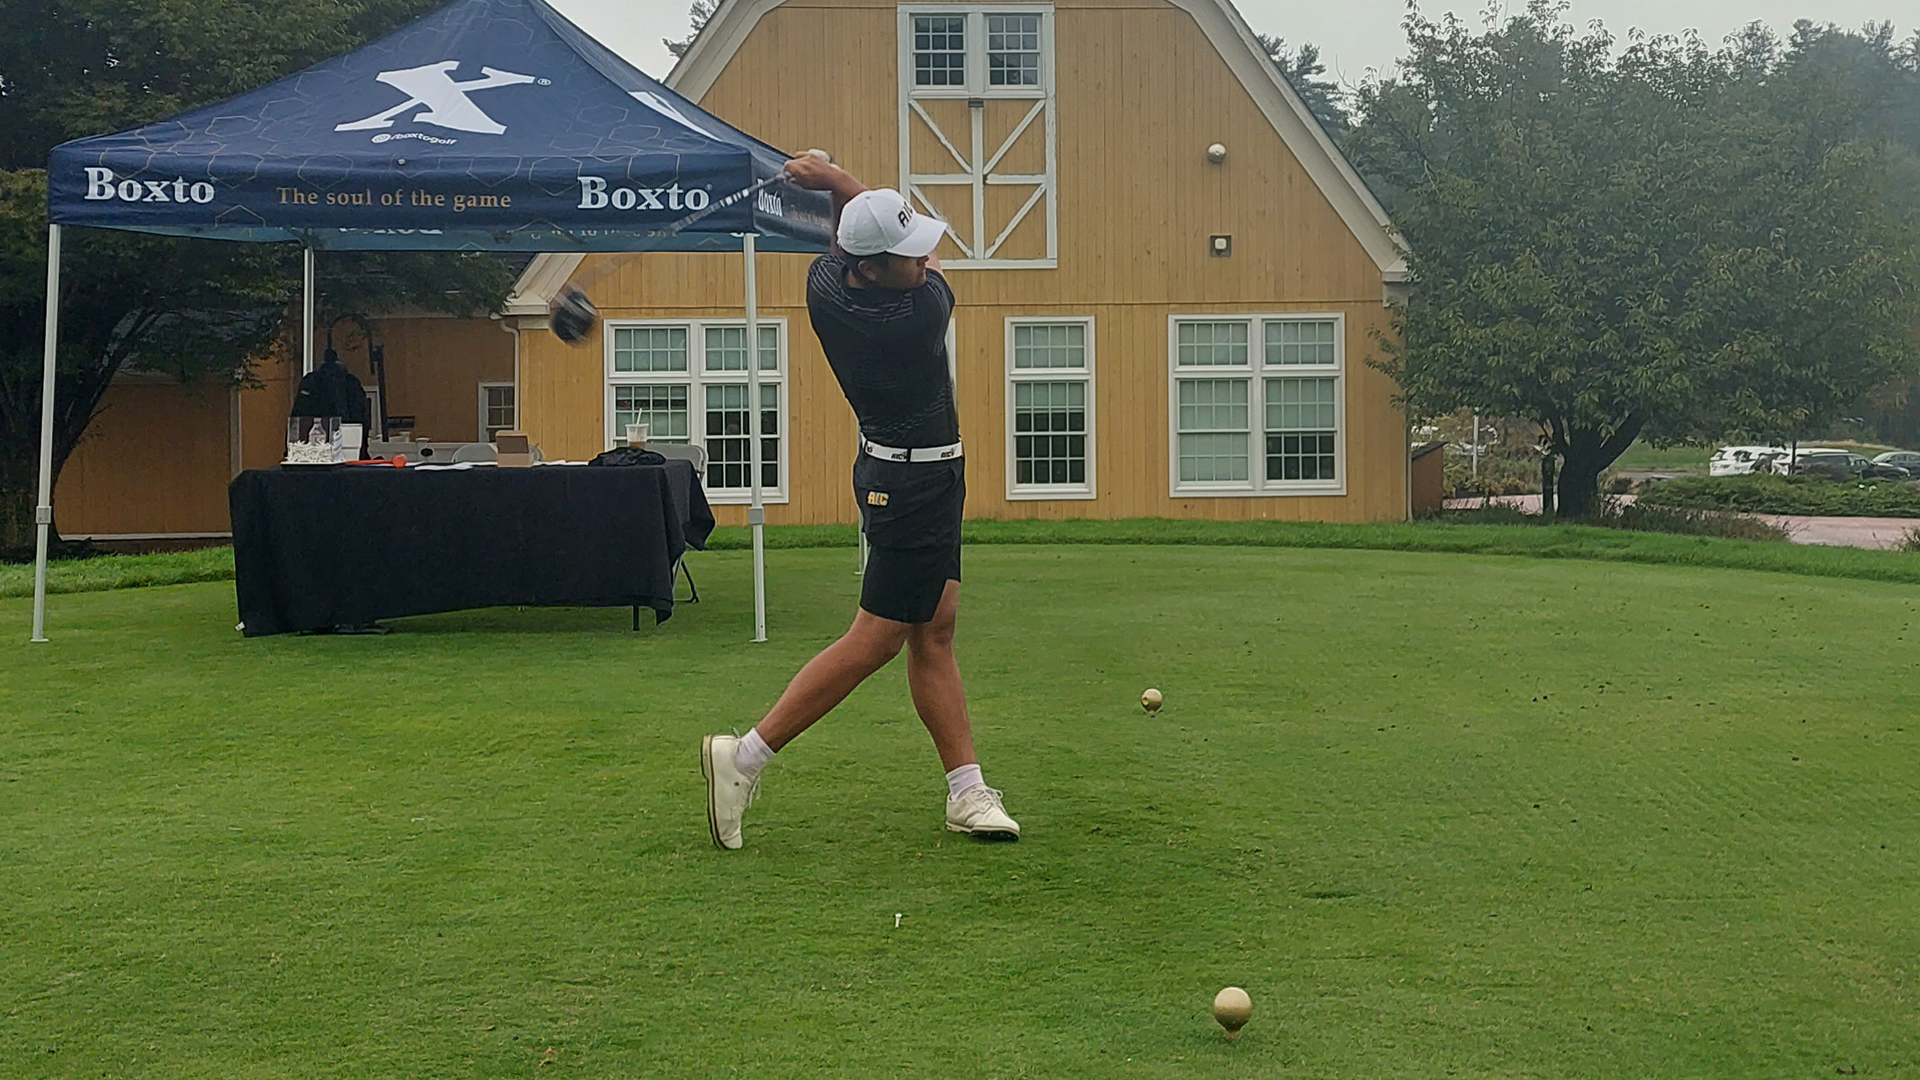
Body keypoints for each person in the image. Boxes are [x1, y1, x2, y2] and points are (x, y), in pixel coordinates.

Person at [699, 156, 1020, 850]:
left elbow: (849, 240)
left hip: (910, 473)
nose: (919, 259)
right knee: (875, 637)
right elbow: (927, 260)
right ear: (874, 270)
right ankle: (745, 756)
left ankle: (966, 790)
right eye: (902, 256)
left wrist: (838, 186)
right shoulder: (920, 311)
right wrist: (839, 176)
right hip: (912, 486)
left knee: (935, 626)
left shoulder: (826, 284)